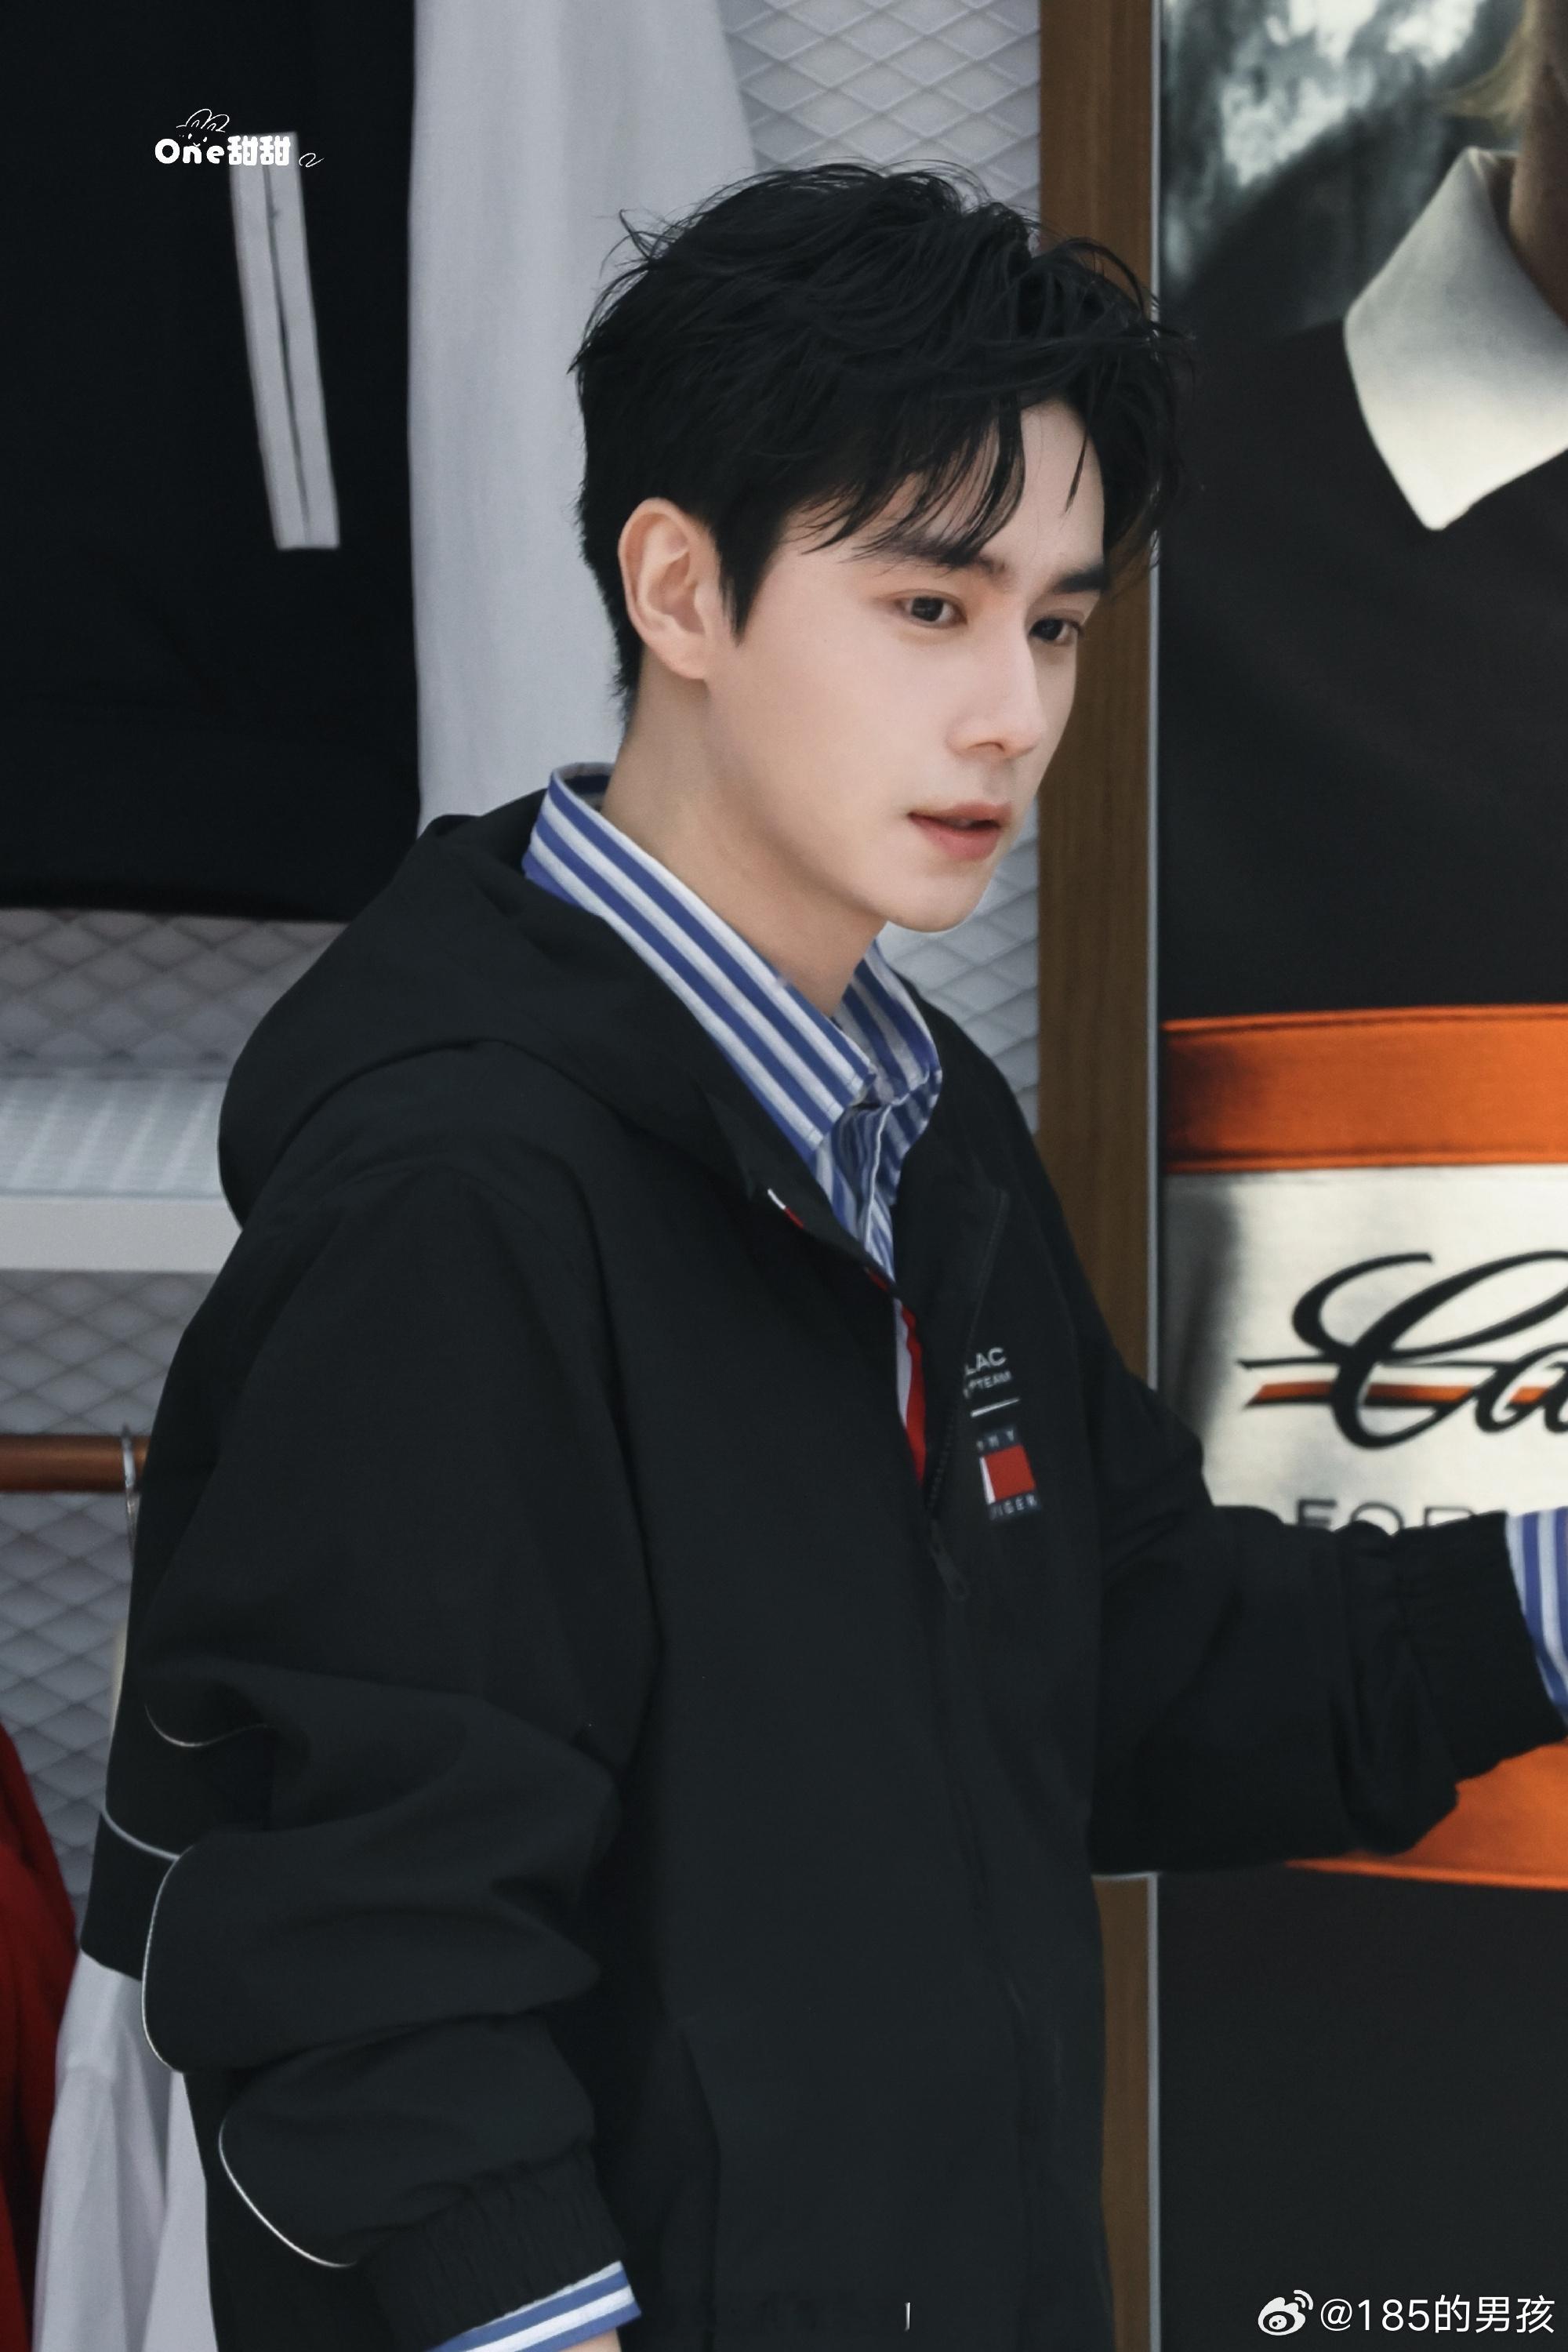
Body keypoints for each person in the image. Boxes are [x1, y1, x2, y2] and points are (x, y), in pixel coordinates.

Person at [78, 163, 1568, 2352]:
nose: (1014, 715)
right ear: (680, 586)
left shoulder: (918, 1118)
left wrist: (1538, 1596)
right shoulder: (458, 1196)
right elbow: (373, 1980)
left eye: (1056, 624)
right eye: (930, 605)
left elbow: (1128, 1667)